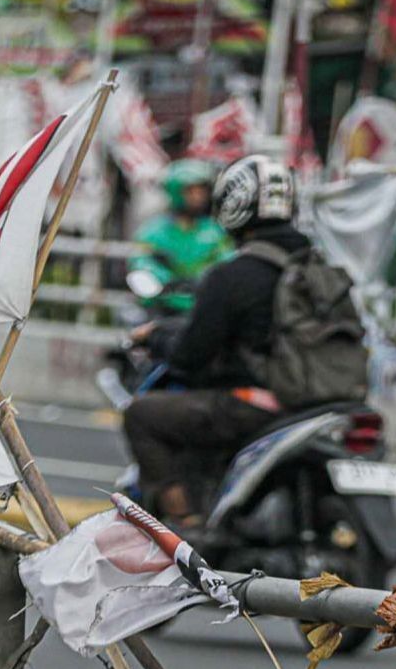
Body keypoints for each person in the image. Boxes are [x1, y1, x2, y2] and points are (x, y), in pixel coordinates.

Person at [123, 154, 307, 526]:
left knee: (141, 414)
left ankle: (184, 523)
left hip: (258, 404)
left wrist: (159, 341)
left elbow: (192, 354)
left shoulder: (234, 273)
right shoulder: (318, 266)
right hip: (317, 402)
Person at [129, 158, 231, 313]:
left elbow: (227, 261)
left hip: (201, 309)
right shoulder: (153, 232)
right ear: (175, 191)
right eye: (191, 191)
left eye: (201, 191)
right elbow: (140, 262)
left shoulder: (215, 231)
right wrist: (166, 280)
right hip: (160, 309)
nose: (197, 197)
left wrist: (201, 280)